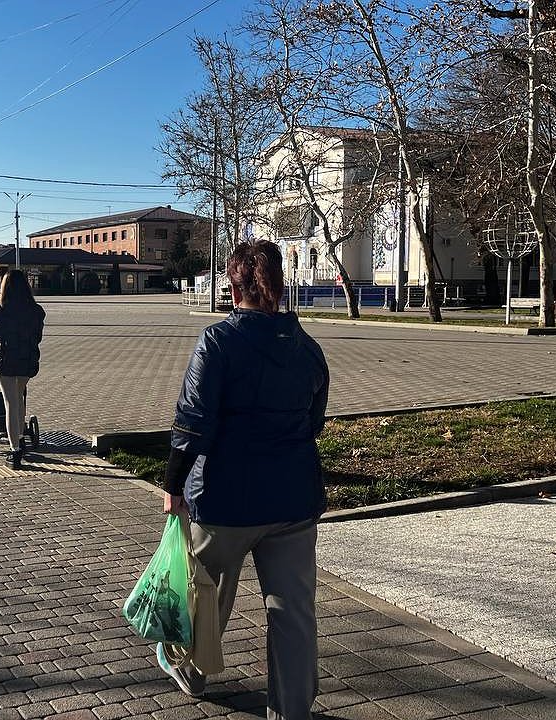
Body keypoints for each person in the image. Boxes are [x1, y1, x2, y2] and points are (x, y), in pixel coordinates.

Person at [159, 240, 329, 720]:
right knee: (292, 612)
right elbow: (312, 425)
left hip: (224, 502)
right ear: (278, 287)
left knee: (205, 592)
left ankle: (192, 672)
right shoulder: (309, 349)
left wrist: (173, 488)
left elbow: (191, 423)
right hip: (293, 502)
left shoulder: (217, 342)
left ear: (234, 287)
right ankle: (292, 709)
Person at [0, 269, 45, 470]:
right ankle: (20, 437)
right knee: (19, 398)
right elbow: (37, 337)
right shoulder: (36, 311)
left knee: (10, 402)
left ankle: (15, 450)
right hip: (27, 360)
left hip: (4, 360)